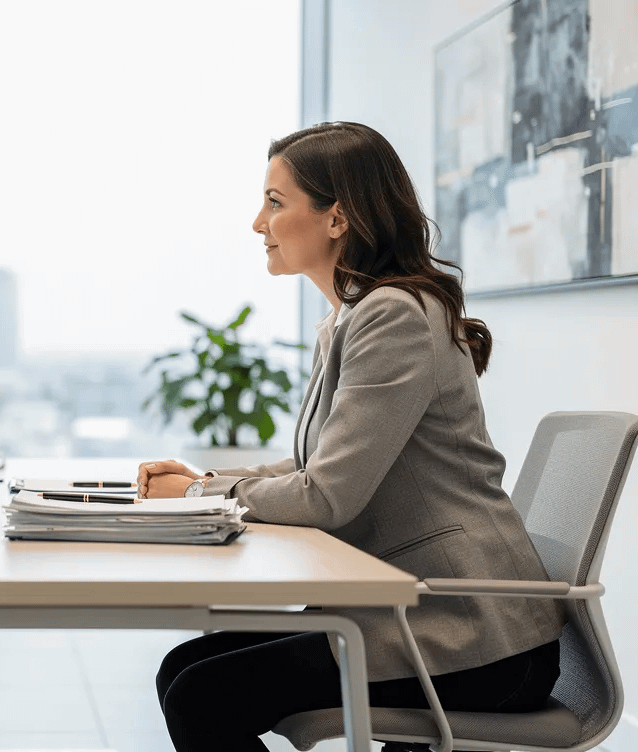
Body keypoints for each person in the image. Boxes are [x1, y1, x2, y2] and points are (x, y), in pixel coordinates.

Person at [138, 122, 565, 752]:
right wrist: (205, 484)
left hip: (473, 635)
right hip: (418, 617)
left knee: (205, 691)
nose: (259, 223)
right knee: (185, 672)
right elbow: (321, 463)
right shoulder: (349, 317)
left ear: (337, 217)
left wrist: (203, 491)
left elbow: (327, 495)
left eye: (275, 203)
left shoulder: (392, 315)